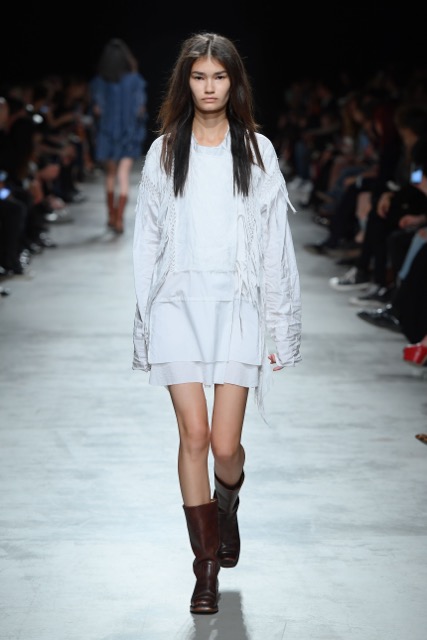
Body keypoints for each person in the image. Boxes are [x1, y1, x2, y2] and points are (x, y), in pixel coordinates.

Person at [132, 32, 302, 615]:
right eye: (199, 76)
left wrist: (280, 322)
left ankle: (226, 504)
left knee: (226, 447)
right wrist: (144, 319)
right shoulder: (164, 151)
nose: (209, 87)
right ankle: (204, 570)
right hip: (176, 302)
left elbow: (275, 242)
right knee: (195, 437)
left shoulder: (257, 150)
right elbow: (147, 240)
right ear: (186, 82)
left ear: (234, 83)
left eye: (219, 77)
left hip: (238, 304)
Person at [90, 38, 148, 234]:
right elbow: (140, 109)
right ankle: (119, 219)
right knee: (123, 176)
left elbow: (97, 110)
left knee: (110, 175)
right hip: (128, 134)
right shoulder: (135, 81)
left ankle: (111, 216)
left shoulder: (99, 82)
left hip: (107, 134)